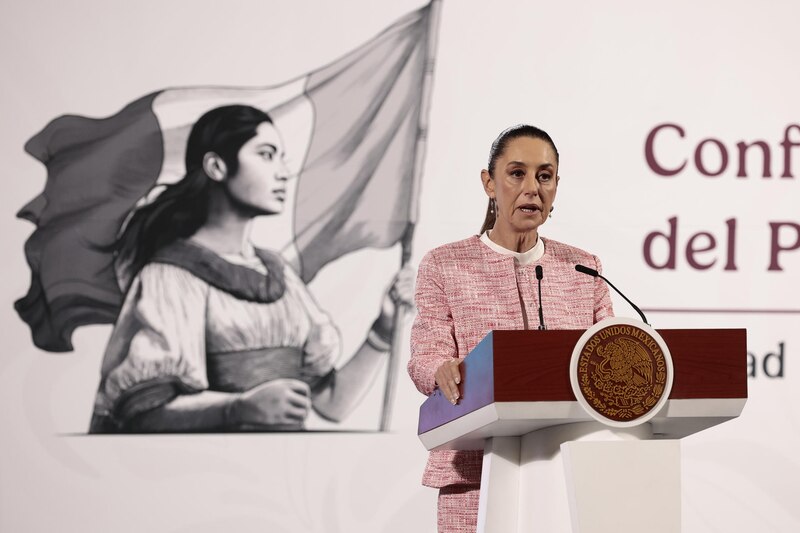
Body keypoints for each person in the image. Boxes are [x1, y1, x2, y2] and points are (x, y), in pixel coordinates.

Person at [89, 104, 413, 433]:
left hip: (282, 475)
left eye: (281, 157)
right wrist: (237, 408)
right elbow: (143, 414)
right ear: (216, 166)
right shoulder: (170, 276)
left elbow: (332, 404)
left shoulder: (280, 275)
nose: (283, 172)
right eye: (266, 154)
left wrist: (383, 330)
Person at [407, 124, 614, 532]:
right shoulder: (445, 264)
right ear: (489, 182)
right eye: (517, 173)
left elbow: (606, 353)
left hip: (568, 469)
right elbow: (425, 353)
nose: (532, 188)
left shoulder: (583, 267)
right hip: (474, 472)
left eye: (545, 175)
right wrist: (439, 369)